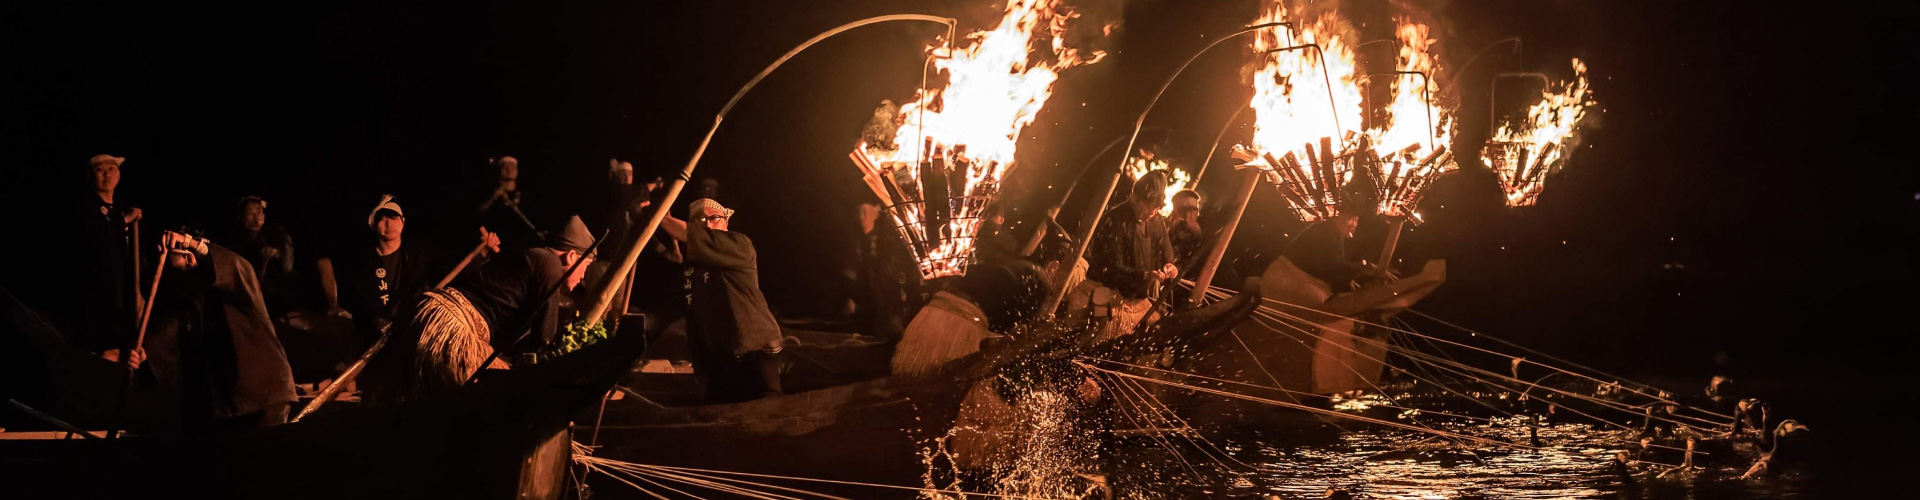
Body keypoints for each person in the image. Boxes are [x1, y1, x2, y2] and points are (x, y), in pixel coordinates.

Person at [364, 216, 587, 404]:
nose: (583, 277)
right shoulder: (550, 264)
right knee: (501, 398)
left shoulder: (528, 257)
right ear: (572, 256)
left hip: (431, 314)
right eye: (586, 267)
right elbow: (543, 342)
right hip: (454, 329)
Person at [143, 230, 299, 434]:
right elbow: (165, 342)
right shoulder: (188, 302)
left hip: (262, 395)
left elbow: (233, 263)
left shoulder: (237, 281)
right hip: (228, 404)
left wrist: (188, 241)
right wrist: (142, 357)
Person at [661, 198, 784, 402]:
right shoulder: (692, 266)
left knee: (765, 410)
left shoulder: (739, 244)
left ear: (726, 222)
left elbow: (683, 232)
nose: (708, 224)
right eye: (700, 220)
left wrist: (658, 218)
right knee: (720, 409)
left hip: (754, 349)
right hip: (720, 355)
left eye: (715, 218)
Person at [316, 195, 448, 343]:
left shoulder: (420, 255)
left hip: (413, 333)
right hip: (374, 339)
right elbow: (352, 299)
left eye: (394, 217)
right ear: (372, 224)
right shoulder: (359, 263)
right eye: (382, 219)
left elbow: (441, 276)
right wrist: (370, 320)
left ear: (403, 221)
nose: (389, 223)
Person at [1085, 170, 1177, 339]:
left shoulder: (1156, 220)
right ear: (1134, 198)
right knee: (1101, 337)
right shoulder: (1114, 221)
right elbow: (1111, 268)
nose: (1152, 212)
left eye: (1156, 208)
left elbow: (1167, 254)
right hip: (1109, 293)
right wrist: (1144, 275)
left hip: (1140, 297)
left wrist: (1170, 267)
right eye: (1148, 206)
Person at [75, 154, 144, 366]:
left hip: (124, 288)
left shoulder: (122, 208)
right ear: (90, 176)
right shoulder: (85, 208)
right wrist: (123, 221)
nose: (106, 174)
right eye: (100, 170)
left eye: (111, 169)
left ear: (119, 175)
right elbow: (94, 238)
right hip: (96, 287)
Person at [214, 196, 300, 316]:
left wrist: (279, 252)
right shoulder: (236, 242)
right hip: (248, 301)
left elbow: (287, 266)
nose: (257, 216)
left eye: (259, 211)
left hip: (275, 302)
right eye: (251, 213)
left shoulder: (275, 234)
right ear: (241, 218)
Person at [1281, 213, 1378, 293]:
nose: (1353, 225)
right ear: (1336, 217)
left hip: (1295, 279)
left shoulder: (1332, 231)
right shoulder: (1326, 233)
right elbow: (1334, 268)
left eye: (1356, 220)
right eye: (1349, 218)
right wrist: (1364, 268)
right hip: (1288, 280)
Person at [1167, 189, 1206, 272]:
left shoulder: (1206, 229)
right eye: (1181, 209)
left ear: (1198, 211)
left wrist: (1198, 234)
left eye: (1192, 209)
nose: (1187, 214)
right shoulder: (1166, 228)